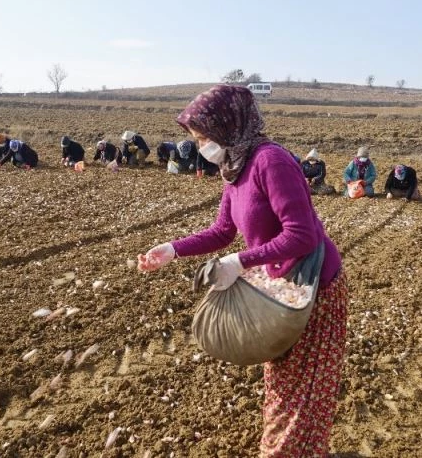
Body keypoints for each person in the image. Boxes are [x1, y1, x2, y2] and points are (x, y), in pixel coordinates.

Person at [136, 85, 347, 456]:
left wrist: (238, 262)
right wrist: (171, 249)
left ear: (228, 127)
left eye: (204, 138)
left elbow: (301, 235)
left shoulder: (271, 162)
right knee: (283, 383)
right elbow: (223, 230)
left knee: (304, 392)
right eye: (197, 140)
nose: (202, 147)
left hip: (313, 287)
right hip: (278, 285)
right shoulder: (234, 166)